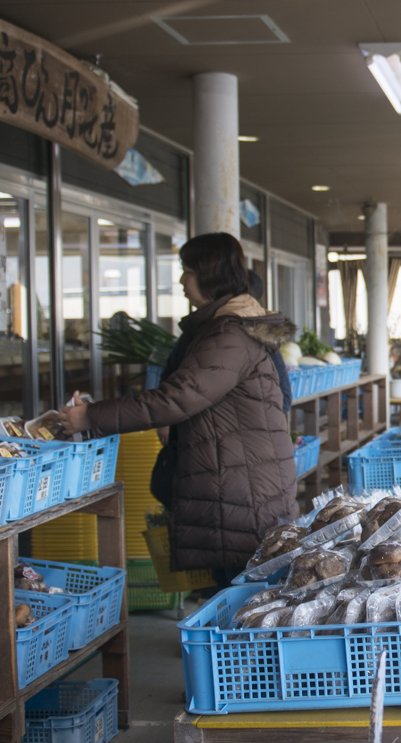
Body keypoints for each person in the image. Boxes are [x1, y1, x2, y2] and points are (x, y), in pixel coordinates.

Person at [61, 233, 297, 585]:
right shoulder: (227, 327)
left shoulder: (229, 335)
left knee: (246, 600)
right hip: (237, 479)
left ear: (208, 273)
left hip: (240, 488)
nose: (181, 280)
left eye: (187, 271)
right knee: (240, 595)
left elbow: (177, 398)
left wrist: (92, 417)